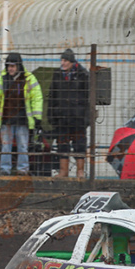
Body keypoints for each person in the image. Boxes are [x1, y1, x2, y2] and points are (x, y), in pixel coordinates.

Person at [0, 52, 43, 176]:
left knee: (22, 146)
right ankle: (6, 170)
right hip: (7, 120)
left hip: (22, 119)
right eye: (8, 66)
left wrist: (37, 116)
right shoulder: (3, 79)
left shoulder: (28, 79)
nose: (10, 68)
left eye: (12, 66)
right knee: (7, 147)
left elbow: (36, 97)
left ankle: (22, 170)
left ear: (18, 66)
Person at [47, 48, 90, 178]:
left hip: (78, 117)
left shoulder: (83, 74)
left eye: (65, 60)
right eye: (62, 60)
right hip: (62, 116)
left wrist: (86, 117)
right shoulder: (57, 74)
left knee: (79, 144)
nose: (63, 63)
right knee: (62, 144)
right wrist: (52, 115)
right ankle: (63, 171)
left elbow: (89, 98)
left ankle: (80, 171)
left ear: (72, 61)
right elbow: (52, 96)